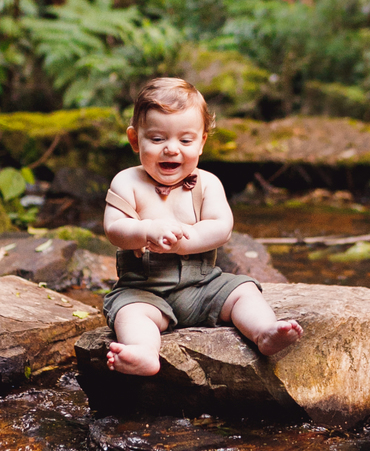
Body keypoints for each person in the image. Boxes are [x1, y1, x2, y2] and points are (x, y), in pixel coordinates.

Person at [102, 75, 304, 376]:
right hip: (144, 290)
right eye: (157, 139)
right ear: (135, 140)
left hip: (203, 286)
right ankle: (144, 353)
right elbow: (113, 228)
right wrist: (145, 231)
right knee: (129, 313)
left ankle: (264, 332)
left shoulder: (207, 183)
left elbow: (222, 227)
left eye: (185, 140)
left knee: (243, 290)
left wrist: (188, 240)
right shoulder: (127, 181)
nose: (171, 149)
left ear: (202, 142)